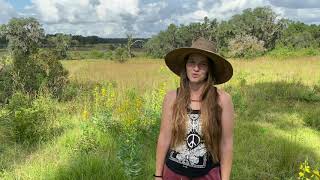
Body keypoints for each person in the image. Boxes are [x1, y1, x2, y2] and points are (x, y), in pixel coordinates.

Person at [154, 37, 235, 180]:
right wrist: (158, 175)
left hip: (207, 175)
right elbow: (164, 137)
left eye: (202, 64)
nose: (196, 68)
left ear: (209, 69)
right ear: (185, 65)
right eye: (192, 62)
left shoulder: (222, 100)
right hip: (172, 173)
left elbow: (226, 143)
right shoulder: (172, 97)